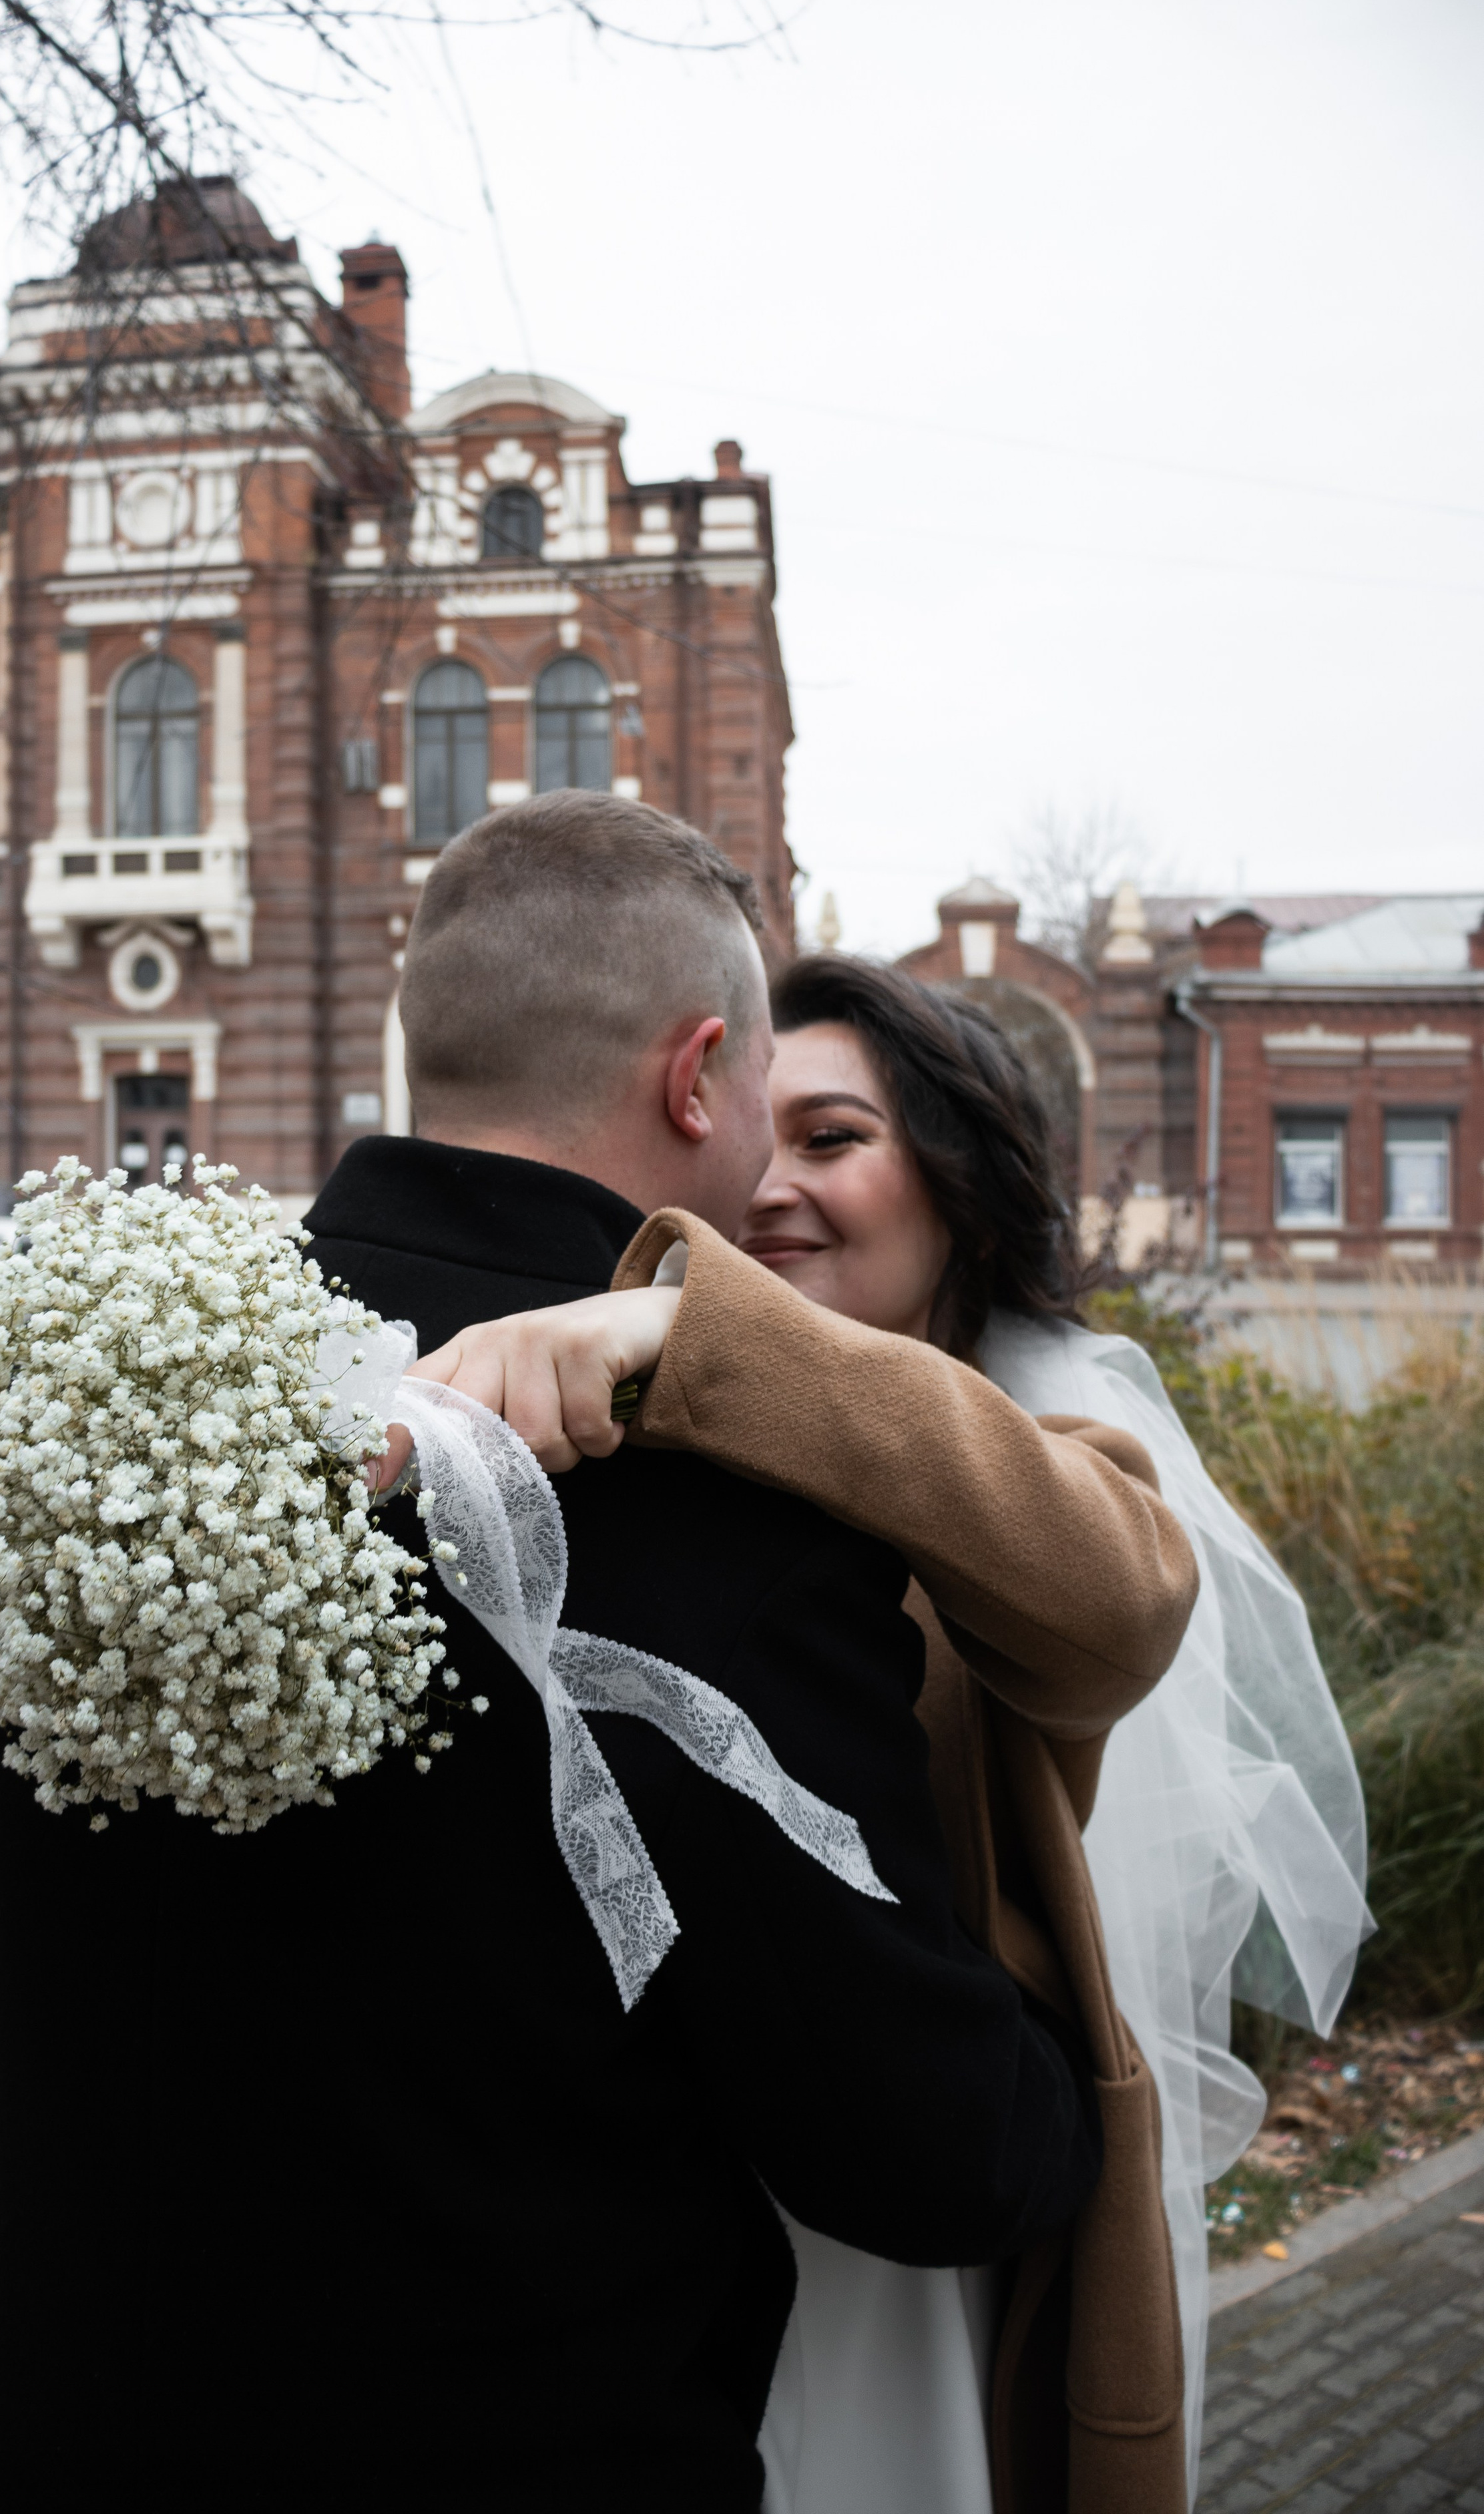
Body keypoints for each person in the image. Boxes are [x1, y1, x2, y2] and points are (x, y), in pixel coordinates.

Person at [0, 800, 1105, 2514]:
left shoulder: (120, 1394)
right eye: (768, 1102)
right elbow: (937, 2158)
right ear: (698, 1076)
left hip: (79, 2449)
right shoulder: (741, 1526)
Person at [412, 952, 1372, 2514]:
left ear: (957, 1179)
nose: (771, 1188)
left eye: (835, 1138)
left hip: (919, 2193)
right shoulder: (647, 1443)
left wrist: (688, 1334)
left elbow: (1112, 1592)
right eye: (752, 1138)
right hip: (667, 2224)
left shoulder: (1042, 1441)